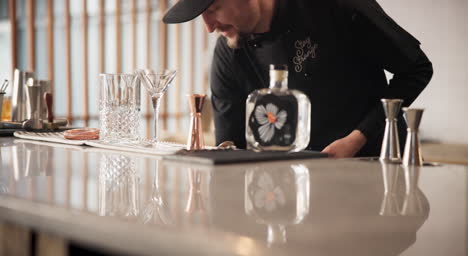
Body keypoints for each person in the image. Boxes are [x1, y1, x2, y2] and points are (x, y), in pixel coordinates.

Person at [163, 0, 433, 157]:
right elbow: (230, 148)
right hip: (288, 192)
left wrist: (357, 138)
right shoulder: (228, 52)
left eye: (213, 10)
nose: (209, 27)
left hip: (372, 167)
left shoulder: (336, 6)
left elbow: (416, 69)